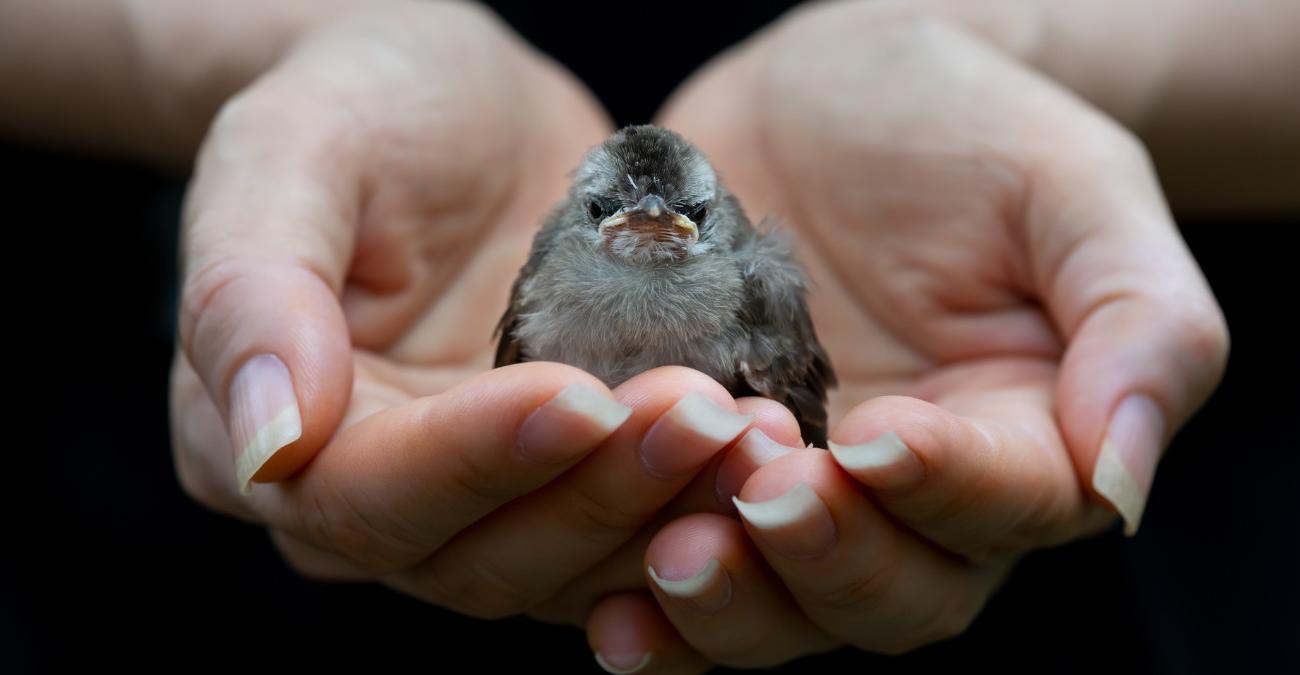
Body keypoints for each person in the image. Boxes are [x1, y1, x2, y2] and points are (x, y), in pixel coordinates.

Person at [4, 0, 1293, 671]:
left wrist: (1025, 42)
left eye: (685, 218)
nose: (651, 233)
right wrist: (276, 46)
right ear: (580, 222)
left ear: (711, 222)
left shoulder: (752, 298)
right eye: (614, 216)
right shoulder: (547, 284)